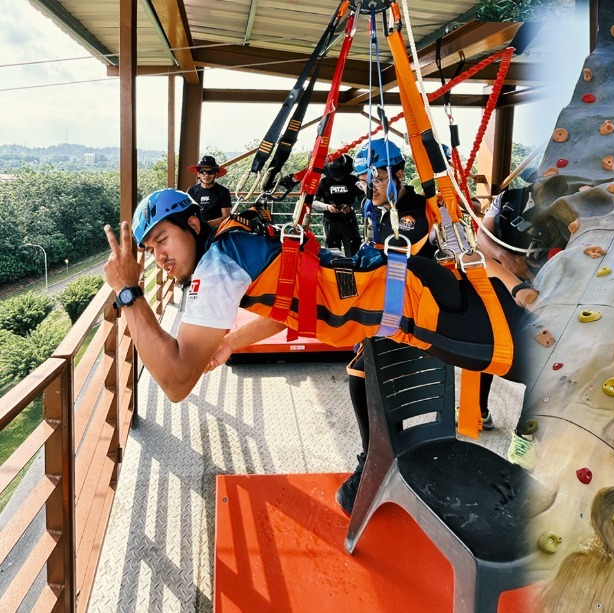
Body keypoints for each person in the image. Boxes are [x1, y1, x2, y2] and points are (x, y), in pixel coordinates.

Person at [103, 186, 535, 511]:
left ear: (193, 226)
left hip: (419, 304)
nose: (157, 255)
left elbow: (176, 381)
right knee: (360, 377)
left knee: (543, 359)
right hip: (399, 297)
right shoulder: (232, 244)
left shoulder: (217, 266)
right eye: (148, 249)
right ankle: (377, 465)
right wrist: (231, 342)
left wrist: (128, 292)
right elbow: (291, 304)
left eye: (162, 240)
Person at [312, 152, 362, 256]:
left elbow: (364, 200)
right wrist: (327, 207)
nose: (338, 178)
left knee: (354, 251)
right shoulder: (324, 181)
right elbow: (314, 202)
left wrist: (351, 207)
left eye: (341, 175)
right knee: (333, 254)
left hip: (349, 221)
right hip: (331, 222)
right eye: (335, 175)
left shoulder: (354, 180)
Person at [186, 155, 233, 227]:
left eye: (210, 172)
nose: (207, 175)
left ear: (216, 174)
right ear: (198, 174)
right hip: (195, 229)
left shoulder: (223, 191)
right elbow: (186, 212)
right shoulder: (191, 190)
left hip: (215, 231)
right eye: (203, 172)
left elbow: (226, 217)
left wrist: (205, 225)